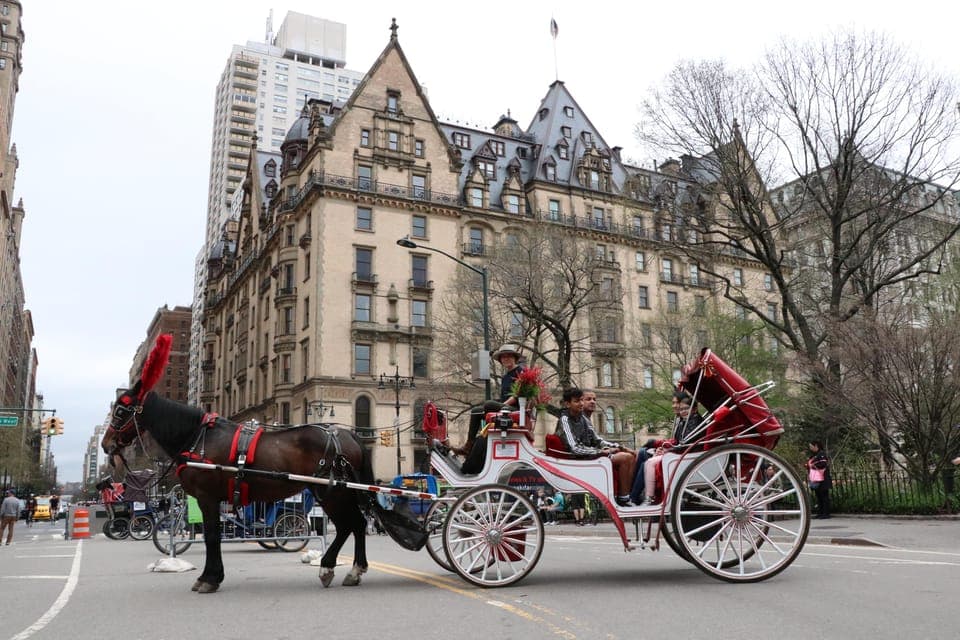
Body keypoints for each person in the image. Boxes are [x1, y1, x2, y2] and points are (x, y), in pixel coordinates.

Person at [554, 387, 635, 506]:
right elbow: (574, 448)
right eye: (577, 401)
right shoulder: (565, 419)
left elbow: (597, 440)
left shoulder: (583, 418)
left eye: (582, 400)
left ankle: (627, 496)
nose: (581, 404)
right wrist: (601, 452)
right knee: (625, 458)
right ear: (567, 404)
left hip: (589, 456)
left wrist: (620, 447)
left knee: (631, 455)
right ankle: (623, 499)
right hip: (578, 460)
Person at [459, 344, 527, 475]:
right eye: (503, 357)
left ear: (515, 358)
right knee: (476, 411)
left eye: (509, 356)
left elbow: (517, 395)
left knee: (488, 404)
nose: (506, 359)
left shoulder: (521, 372)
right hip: (505, 407)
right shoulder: (506, 376)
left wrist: (501, 407)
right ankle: (469, 444)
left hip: (515, 409)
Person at [638, 391, 704, 506]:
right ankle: (649, 496)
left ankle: (649, 497)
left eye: (686, 409)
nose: (683, 412)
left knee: (649, 463)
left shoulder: (693, 422)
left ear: (694, 409)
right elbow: (679, 441)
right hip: (681, 452)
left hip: (687, 454)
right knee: (649, 458)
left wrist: (668, 450)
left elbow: (686, 443)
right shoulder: (686, 421)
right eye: (681, 409)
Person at [807, 440, 832, 519]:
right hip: (816, 478)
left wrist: (813, 465)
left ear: (816, 446)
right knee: (819, 496)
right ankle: (820, 512)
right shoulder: (813, 455)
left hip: (823, 478)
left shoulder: (821, 454)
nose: (810, 448)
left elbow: (823, 464)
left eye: (811, 446)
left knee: (824, 496)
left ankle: (826, 513)